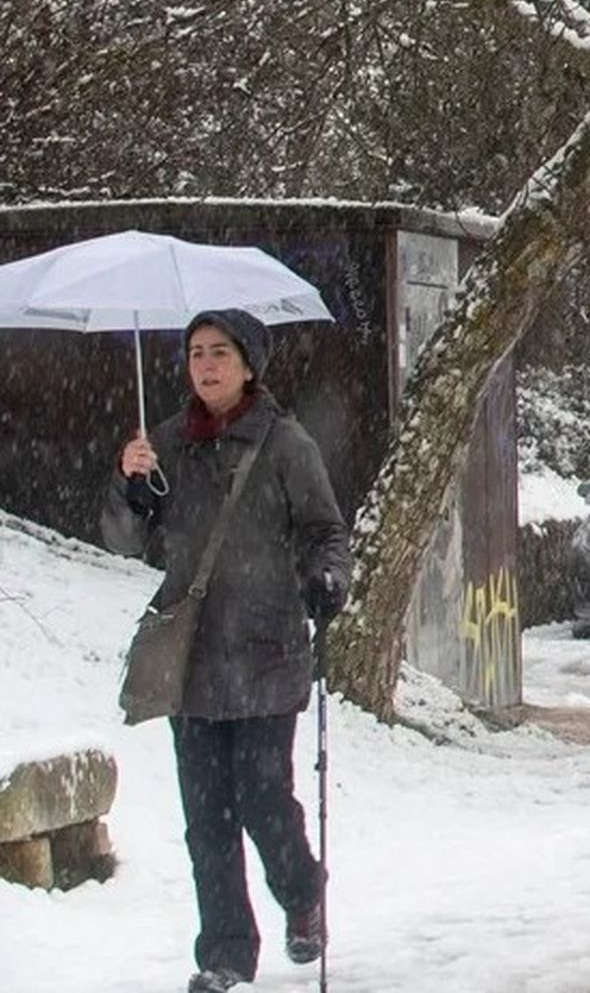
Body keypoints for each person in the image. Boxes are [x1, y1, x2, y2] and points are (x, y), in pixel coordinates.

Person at [102, 310, 350, 993]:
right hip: (192, 660)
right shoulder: (167, 445)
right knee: (206, 820)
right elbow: (124, 542)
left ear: (248, 364)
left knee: (264, 799)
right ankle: (226, 957)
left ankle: (302, 893)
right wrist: (130, 483)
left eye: (218, 353)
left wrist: (327, 579)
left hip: (267, 652)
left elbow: (326, 532)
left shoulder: (285, 444)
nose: (204, 365)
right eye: (194, 354)